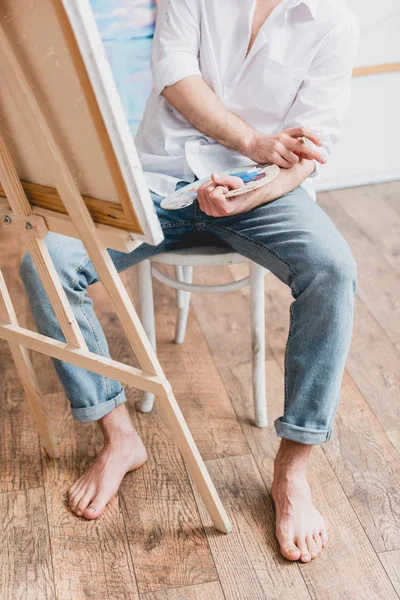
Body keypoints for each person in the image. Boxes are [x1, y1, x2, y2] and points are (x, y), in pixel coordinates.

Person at [20, 0, 359, 564]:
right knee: (46, 263)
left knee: (334, 270)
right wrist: (253, 142)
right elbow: (175, 76)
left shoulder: (334, 21)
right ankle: (117, 434)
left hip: (264, 191)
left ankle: (293, 467)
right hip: (160, 174)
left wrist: (249, 188)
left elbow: (308, 153)